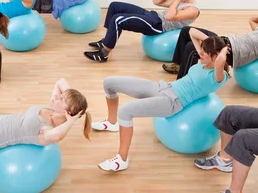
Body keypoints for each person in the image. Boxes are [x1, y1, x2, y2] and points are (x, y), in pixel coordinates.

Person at [92, 35, 229, 171]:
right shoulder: (203, 63)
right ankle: (111, 122)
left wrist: (223, 49)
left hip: (172, 102)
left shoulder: (218, 76)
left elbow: (221, 60)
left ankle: (121, 159)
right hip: (162, 87)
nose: (201, 53)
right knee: (109, 83)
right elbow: (192, 32)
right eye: (203, 49)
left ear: (216, 56)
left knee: (125, 110)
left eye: (205, 52)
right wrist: (213, 43)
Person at [83, 0, 200, 63]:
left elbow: (169, 17)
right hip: (152, 15)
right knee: (114, 6)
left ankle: (104, 53)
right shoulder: (181, 0)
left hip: (157, 25)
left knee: (117, 19)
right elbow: (156, 2)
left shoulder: (192, 10)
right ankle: (106, 40)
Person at [162, 9, 258, 79]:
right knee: (186, 31)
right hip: (222, 40)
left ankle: (181, 81)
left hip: (227, 53)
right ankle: (178, 65)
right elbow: (251, 19)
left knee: (192, 47)